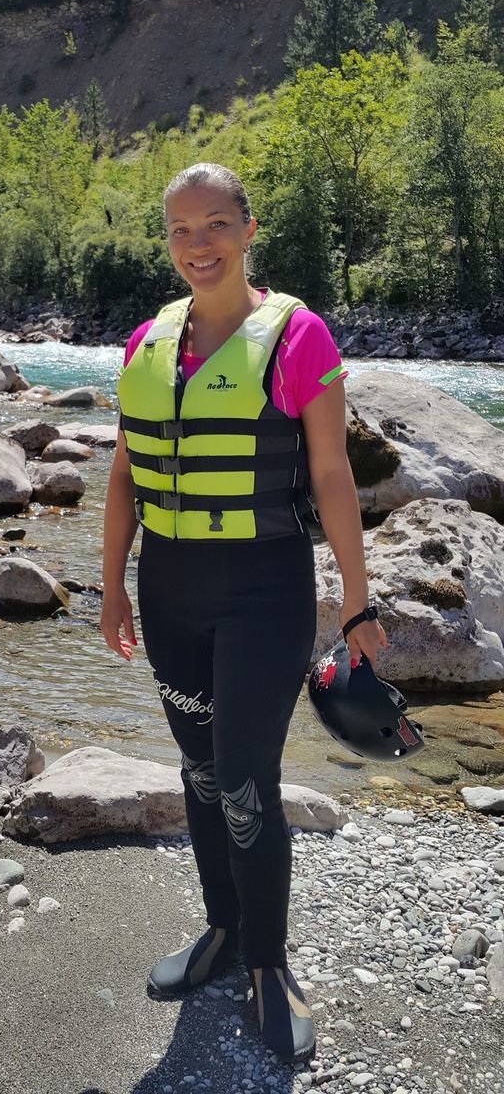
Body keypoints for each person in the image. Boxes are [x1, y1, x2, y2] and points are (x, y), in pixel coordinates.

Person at [99, 162, 387, 1064]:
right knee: (196, 771)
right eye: (182, 229)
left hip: (263, 591)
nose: (198, 245)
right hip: (170, 591)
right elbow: (122, 476)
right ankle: (223, 932)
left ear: (248, 229)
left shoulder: (298, 337)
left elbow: (334, 475)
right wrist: (109, 586)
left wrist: (357, 603)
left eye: (216, 224)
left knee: (247, 778)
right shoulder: (148, 339)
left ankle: (268, 962)